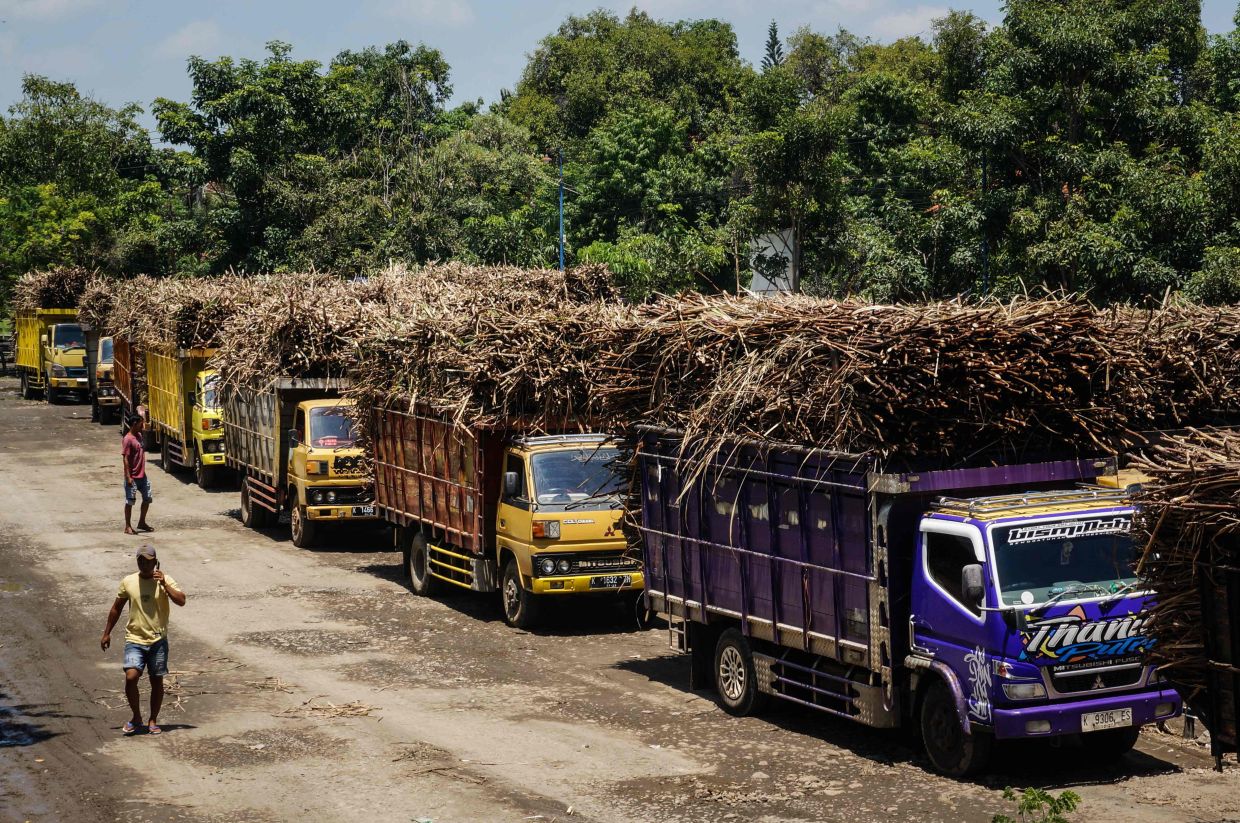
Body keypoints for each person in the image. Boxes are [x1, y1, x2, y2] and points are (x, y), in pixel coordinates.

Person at [100, 545, 187, 735]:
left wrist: (164, 583)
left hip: (158, 640)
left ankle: (153, 719)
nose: (144, 564)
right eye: (140, 560)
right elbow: (117, 608)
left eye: (147, 561)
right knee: (131, 677)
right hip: (135, 639)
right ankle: (136, 717)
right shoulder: (128, 581)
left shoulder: (166, 580)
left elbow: (181, 600)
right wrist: (107, 632)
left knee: (157, 680)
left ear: (155, 562)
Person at [123, 414, 153, 535]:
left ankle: (141, 522)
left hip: (142, 476)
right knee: (130, 502)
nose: (143, 425)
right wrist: (128, 477)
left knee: (147, 498)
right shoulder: (128, 439)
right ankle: (127, 526)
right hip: (133, 477)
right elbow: (125, 459)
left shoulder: (139, 436)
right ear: (135, 424)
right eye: (141, 423)